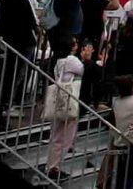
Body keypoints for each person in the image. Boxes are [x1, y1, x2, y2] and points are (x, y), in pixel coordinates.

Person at [43, 37, 88, 180]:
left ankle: (51, 166)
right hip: (69, 101)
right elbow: (84, 70)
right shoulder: (72, 60)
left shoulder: (59, 61)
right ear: (72, 46)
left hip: (59, 101)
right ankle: (54, 167)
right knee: (66, 137)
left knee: (56, 135)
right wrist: (85, 57)